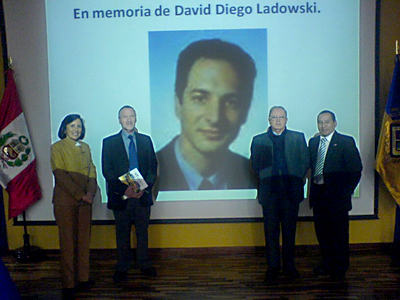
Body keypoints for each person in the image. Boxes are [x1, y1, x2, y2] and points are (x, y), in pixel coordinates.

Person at [156, 39, 257, 191]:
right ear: (178, 104)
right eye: (200, 98)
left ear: (245, 111)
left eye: (231, 102)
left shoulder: (255, 176)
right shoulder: (145, 167)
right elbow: (122, 196)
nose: (215, 118)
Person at [250, 106, 309, 281]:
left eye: (281, 117)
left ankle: (290, 266)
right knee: (271, 232)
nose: (277, 120)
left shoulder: (297, 138)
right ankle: (273, 267)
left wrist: (294, 178)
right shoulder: (258, 140)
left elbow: (305, 162)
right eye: (274, 117)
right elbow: (255, 166)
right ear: (269, 119)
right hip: (270, 194)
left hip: (291, 193)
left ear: (286, 119)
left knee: (290, 232)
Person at [102, 105, 158, 283]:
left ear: (136, 118)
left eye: (131, 116)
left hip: (142, 195)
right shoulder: (109, 142)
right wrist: (124, 189)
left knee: (142, 232)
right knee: (122, 233)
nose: (128, 120)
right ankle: (123, 266)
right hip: (121, 196)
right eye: (124, 117)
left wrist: (143, 187)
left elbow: (152, 167)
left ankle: (144, 264)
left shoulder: (145, 140)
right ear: (119, 120)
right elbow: (107, 171)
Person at [309, 110, 362, 280]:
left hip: (338, 199)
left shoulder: (345, 141)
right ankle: (326, 264)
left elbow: (355, 170)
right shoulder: (313, 141)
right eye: (320, 122)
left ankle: (340, 268)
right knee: (322, 234)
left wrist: (346, 191)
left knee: (339, 235)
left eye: (326, 122)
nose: (323, 125)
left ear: (335, 123)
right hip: (318, 196)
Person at [51, 114, 97, 297]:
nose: (76, 129)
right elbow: (61, 177)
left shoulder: (86, 147)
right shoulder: (57, 147)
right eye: (72, 126)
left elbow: (92, 172)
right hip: (65, 201)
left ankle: (83, 279)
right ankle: (69, 284)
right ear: (64, 128)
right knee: (68, 243)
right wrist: (81, 195)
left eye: (79, 126)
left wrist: (90, 193)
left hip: (85, 201)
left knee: (84, 241)